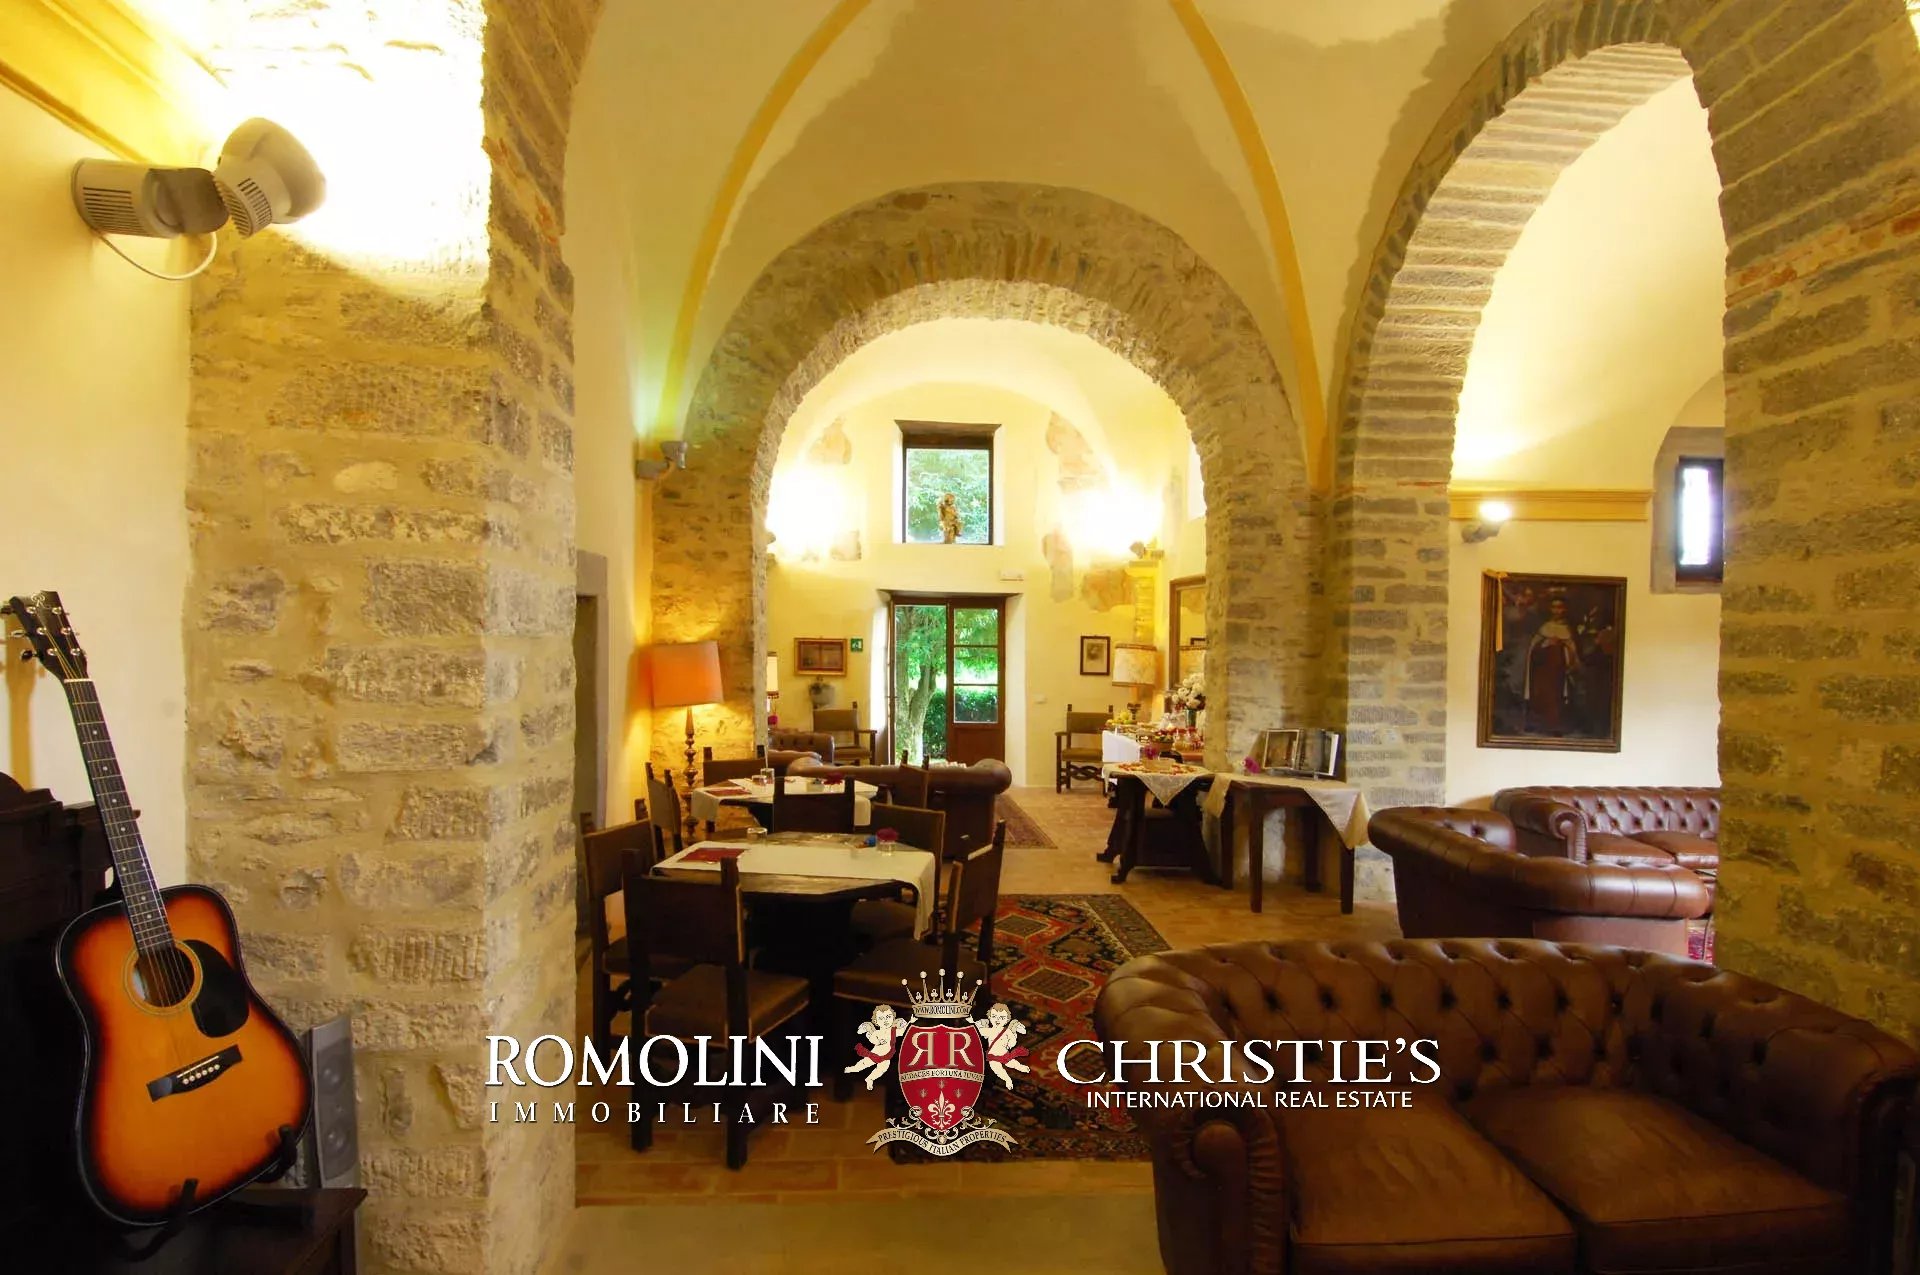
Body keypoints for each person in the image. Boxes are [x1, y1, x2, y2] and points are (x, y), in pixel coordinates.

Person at [1524, 595, 1580, 734]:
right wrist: (1546, 644)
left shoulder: (1568, 629)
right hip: (1543, 672)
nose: (1557, 610)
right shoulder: (1545, 627)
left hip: (1559, 672)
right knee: (1541, 696)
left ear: (1565, 609)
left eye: (1560, 607)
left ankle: (1556, 726)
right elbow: (1534, 649)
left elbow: (1573, 650)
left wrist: (1561, 645)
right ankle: (1538, 725)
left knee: (1558, 698)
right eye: (1554, 607)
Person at [845, 1005, 906, 1090]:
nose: (885, 1020)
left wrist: (909, 1022)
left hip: (886, 1057)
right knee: (863, 1064)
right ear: (876, 1021)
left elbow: (902, 1031)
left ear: (893, 1018)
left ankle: (870, 1079)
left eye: (888, 1017)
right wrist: (879, 1042)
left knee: (881, 1070)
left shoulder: (893, 1031)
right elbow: (873, 1040)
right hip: (875, 1055)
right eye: (881, 1018)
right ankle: (853, 1069)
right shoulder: (877, 1033)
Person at [973, 1002, 1030, 1089]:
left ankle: (1020, 1068)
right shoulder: (991, 1030)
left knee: (1011, 1064)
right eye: (994, 1017)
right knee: (999, 1070)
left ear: (1007, 1020)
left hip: (1002, 1054)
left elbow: (1012, 1042)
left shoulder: (1004, 1031)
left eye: (1002, 1018)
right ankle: (1008, 1079)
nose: (997, 1020)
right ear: (990, 1017)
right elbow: (979, 1032)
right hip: (993, 1056)